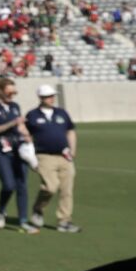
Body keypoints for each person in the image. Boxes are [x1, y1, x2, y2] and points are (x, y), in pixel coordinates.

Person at [0, 78, 36, 233]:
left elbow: (21, 126)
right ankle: (1, 211)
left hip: (18, 147)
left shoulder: (15, 106)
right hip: (0, 148)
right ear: (0, 91)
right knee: (8, 184)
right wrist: (13, 123)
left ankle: (23, 221)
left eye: (14, 92)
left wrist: (27, 135)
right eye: (9, 92)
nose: (12, 95)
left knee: (22, 184)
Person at [24, 85, 78, 233]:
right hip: (44, 156)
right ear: (41, 98)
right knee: (50, 187)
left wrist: (73, 150)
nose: (52, 98)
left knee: (67, 190)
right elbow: (25, 134)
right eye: (48, 96)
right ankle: (38, 209)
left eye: (53, 96)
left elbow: (70, 131)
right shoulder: (32, 115)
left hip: (64, 155)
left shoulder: (62, 113)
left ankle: (64, 221)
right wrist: (29, 155)